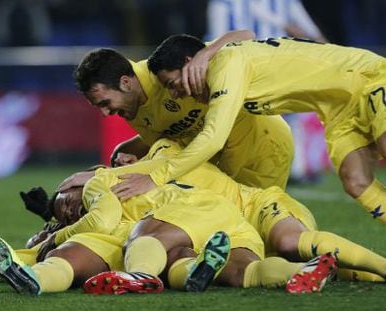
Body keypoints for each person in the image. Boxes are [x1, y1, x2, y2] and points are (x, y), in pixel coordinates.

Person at [60, 138, 386, 283]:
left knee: (289, 242)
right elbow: (105, 222)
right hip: (233, 229)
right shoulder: (140, 192)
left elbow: (157, 158)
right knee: (270, 267)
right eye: (113, 164)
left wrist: (99, 174)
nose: (119, 166)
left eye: (122, 160)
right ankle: (344, 273)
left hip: (258, 206)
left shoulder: (166, 151)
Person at [146, 34, 386, 225]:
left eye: (173, 84)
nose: (176, 94)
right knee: (356, 181)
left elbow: (214, 138)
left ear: (191, 64)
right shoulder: (217, 57)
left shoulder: (225, 64)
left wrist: (156, 177)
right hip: (339, 110)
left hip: (367, 78)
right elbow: (245, 34)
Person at [0, 167, 335, 295]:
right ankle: (302, 271)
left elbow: (101, 220)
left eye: (69, 201)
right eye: (64, 212)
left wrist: (55, 234)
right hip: (214, 228)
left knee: (142, 238)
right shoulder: (130, 186)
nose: (72, 209)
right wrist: (32, 250)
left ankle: (138, 276)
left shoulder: (103, 185)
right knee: (232, 269)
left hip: (178, 220)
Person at [73, 34, 295, 200]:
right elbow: (171, 137)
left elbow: (246, 36)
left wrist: (208, 52)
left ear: (125, 82)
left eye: (105, 103)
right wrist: (132, 154)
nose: (105, 113)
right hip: (220, 159)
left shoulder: (167, 70)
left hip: (261, 146)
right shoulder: (130, 106)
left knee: (260, 229)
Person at [206, 0, 328, 183]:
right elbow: (217, 34)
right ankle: (228, 168)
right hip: (240, 64)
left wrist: (318, 38)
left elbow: (299, 15)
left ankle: (296, 170)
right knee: (238, 116)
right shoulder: (224, 3)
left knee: (290, 113)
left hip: (277, 61)